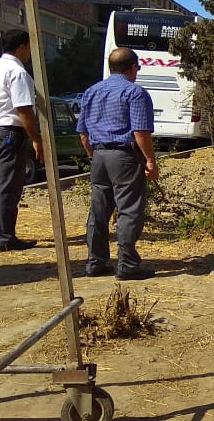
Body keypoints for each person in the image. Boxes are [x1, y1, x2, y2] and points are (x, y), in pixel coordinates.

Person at [76, 47, 159, 280]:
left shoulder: (91, 92)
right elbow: (140, 131)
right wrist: (150, 160)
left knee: (98, 212)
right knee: (129, 211)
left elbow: (83, 133)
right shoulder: (135, 93)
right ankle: (127, 265)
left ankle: (96, 261)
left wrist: (94, 155)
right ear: (133, 67)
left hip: (99, 156)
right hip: (124, 156)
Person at [0, 29, 42, 252]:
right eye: (29, 48)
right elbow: (23, 109)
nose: (30, 53)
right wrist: (36, 138)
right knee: (9, 186)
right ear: (21, 47)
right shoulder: (18, 72)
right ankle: (5, 237)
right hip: (9, 132)